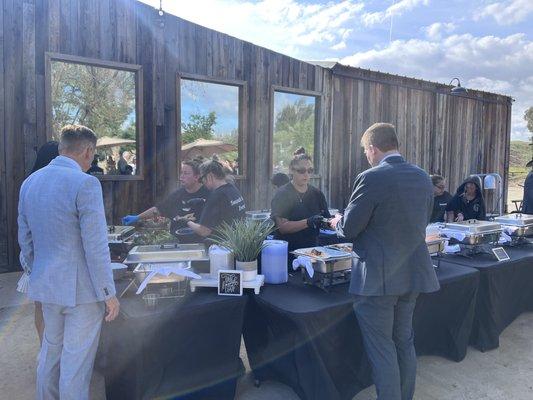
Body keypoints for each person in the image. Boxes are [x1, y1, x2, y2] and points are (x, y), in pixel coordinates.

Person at [330, 123, 439, 400]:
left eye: (366, 151)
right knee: (404, 341)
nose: (367, 156)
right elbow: (422, 220)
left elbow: (350, 228)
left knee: (382, 348)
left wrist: (336, 221)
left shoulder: (371, 177)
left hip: (378, 279)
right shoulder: (422, 177)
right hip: (413, 273)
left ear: (373, 148)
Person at [18, 124, 119, 400]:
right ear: (88, 151)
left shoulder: (30, 182)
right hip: (82, 293)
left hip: (46, 285)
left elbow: (25, 240)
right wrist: (108, 293)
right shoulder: (86, 183)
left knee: (50, 356)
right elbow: (96, 246)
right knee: (75, 366)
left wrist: (36, 269)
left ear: (62, 147)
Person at [17, 141, 60, 344]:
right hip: (48, 252)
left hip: (33, 253)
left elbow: (24, 226)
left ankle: (44, 345)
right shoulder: (56, 184)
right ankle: (50, 349)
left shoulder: (29, 183)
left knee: (40, 305)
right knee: (52, 306)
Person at [122, 160, 210, 243]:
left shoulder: (208, 194)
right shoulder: (177, 194)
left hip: (200, 242)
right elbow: (159, 209)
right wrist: (137, 217)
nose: (181, 176)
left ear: (197, 177)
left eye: (186, 173)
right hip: (178, 242)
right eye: (181, 173)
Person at [270, 148, 331, 253]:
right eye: (301, 171)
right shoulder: (282, 194)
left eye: (310, 170)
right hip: (287, 254)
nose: (306, 174)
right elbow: (283, 227)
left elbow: (326, 220)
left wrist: (338, 221)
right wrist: (308, 222)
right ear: (291, 170)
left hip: (311, 252)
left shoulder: (317, 194)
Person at [187, 159, 246, 239]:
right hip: (236, 241)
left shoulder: (217, 195)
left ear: (209, 176)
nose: (202, 182)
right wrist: (203, 202)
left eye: (202, 179)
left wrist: (187, 221)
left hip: (221, 246)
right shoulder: (232, 189)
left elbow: (204, 231)